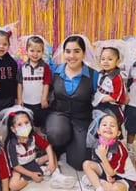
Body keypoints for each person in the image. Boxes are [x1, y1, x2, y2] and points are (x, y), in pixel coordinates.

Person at [45, 35, 97, 170]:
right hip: (59, 113)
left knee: (80, 164)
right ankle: (60, 142)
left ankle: (72, 142)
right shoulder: (55, 71)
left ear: (84, 53)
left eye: (77, 51)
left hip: (82, 118)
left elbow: (101, 98)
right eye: (68, 51)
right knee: (57, 134)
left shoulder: (93, 75)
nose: (71, 56)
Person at [0, 105, 76, 190]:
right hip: (20, 168)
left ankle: (56, 174)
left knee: (52, 154)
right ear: (13, 129)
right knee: (13, 186)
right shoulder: (12, 144)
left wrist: (51, 163)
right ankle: (33, 178)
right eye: (19, 124)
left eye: (27, 122)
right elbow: (16, 166)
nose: (24, 126)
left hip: (33, 161)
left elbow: (48, 146)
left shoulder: (33, 136)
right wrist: (32, 175)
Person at [82, 113, 136, 191]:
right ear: (98, 131)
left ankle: (97, 181)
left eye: (112, 126)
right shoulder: (97, 144)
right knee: (86, 164)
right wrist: (108, 174)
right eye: (104, 125)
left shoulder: (119, 149)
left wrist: (103, 156)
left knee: (115, 188)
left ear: (118, 133)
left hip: (123, 177)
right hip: (108, 170)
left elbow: (112, 173)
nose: (108, 127)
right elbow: (99, 161)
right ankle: (99, 188)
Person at [16, 36, 52, 129]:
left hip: (39, 102)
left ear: (42, 52)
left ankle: (40, 136)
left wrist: (44, 99)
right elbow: (20, 84)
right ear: (27, 51)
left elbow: (46, 84)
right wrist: (20, 99)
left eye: (38, 51)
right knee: (28, 120)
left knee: (40, 121)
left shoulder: (45, 67)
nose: (35, 54)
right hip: (26, 102)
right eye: (32, 51)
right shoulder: (23, 67)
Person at [93, 47, 127, 125]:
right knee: (99, 124)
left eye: (110, 59)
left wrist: (101, 98)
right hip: (100, 104)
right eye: (103, 59)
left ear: (118, 62)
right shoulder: (100, 73)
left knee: (111, 125)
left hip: (111, 106)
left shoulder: (117, 78)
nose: (105, 62)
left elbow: (117, 96)